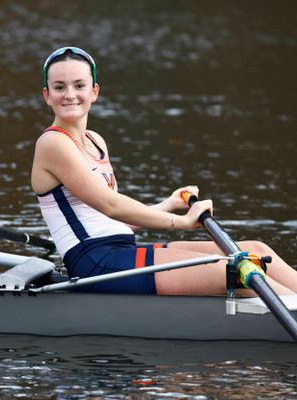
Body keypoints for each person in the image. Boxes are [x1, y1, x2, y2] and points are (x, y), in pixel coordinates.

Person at [31, 47, 297, 296]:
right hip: (95, 263)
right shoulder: (53, 143)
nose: (70, 94)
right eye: (59, 87)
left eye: (79, 85)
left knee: (255, 251)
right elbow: (111, 205)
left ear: (94, 92)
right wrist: (181, 222)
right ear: (47, 95)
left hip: (120, 250)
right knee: (233, 271)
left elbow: (112, 222)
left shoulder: (95, 141)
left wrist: (168, 205)